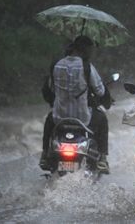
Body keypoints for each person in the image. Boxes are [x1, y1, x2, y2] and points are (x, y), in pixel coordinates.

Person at [40, 35, 110, 174]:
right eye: (91, 50)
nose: (92, 53)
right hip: (83, 118)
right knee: (102, 119)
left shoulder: (57, 65)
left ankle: (45, 154)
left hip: (59, 117)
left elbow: (49, 89)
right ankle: (102, 157)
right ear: (85, 50)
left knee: (49, 121)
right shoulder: (87, 67)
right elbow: (100, 91)